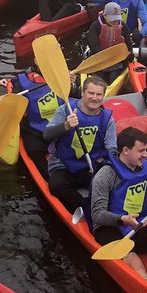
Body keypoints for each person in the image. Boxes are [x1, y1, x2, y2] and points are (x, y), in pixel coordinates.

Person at [90, 127, 147, 287]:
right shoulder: (106, 175)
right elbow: (97, 215)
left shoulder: (145, 166)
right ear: (126, 150)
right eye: (141, 151)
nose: (145, 155)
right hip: (111, 227)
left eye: (146, 150)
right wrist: (123, 219)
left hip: (140, 221)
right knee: (134, 260)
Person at [42, 75, 117, 215]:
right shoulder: (66, 110)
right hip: (63, 166)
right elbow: (47, 135)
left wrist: (106, 167)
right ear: (82, 93)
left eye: (99, 94)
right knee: (56, 185)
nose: (94, 98)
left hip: (90, 167)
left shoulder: (108, 119)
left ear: (103, 96)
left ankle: (111, 212)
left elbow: (112, 149)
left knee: (113, 185)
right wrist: (66, 126)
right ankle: (86, 211)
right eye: (91, 93)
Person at [15, 68, 61, 166]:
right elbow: (15, 103)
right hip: (35, 131)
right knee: (33, 150)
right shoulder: (21, 81)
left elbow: (77, 101)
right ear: (36, 61)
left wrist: (73, 86)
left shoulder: (65, 77)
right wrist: (8, 101)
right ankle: (48, 173)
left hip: (62, 128)